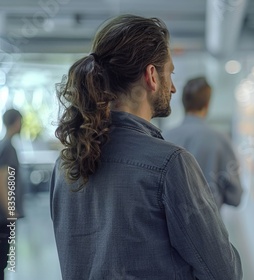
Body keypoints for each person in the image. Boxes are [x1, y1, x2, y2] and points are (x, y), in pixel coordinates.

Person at [50, 15, 242, 280]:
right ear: (152, 76)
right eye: (170, 73)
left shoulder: (64, 165)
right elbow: (224, 272)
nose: (174, 88)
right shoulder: (170, 163)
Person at [164, 77, 243, 209]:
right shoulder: (220, 140)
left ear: (184, 103)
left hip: (170, 227)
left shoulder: (164, 137)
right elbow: (235, 197)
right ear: (207, 105)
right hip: (209, 225)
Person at [0, 109, 22, 279]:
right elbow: (2, 180)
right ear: (16, 122)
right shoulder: (7, 147)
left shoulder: (5, 145)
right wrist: (9, 211)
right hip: (4, 216)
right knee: (2, 260)